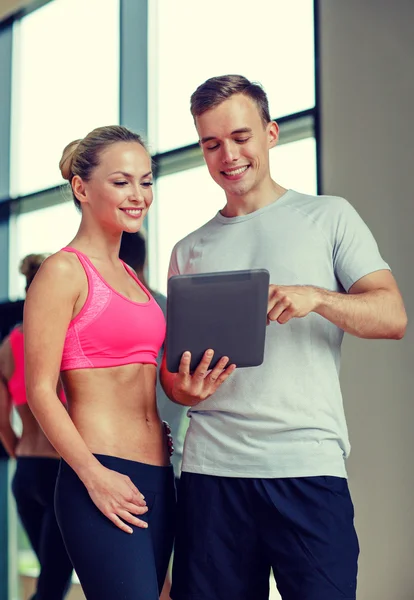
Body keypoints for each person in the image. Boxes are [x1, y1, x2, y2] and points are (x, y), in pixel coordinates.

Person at [160, 75, 408, 600]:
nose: (228, 154)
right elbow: (172, 373)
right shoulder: (188, 248)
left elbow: (391, 316)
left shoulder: (329, 216)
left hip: (306, 466)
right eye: (211, 144)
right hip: (211, 473)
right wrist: (183, 389)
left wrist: (318, 297)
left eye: (241, 136)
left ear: (271, 133)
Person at [23, 125, 176, 600]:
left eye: (146, 181)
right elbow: (40, 390)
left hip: (158, 475)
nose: (138, 195)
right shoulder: (63, 270)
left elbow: (147, 378)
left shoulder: (131, 274)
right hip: (102, 474)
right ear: (81, 188)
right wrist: (95, 476)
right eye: (122, 181)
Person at [120, 231, 189, 600]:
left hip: (139, 456)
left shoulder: (153, 309)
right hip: (165, 460)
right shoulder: (165, 307)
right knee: (158, 579)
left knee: (153, 581)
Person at [0, 253, 73, 600]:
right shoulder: (63, 339)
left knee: (50, 579)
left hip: (26, 473)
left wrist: (21, 455)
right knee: (53, 583)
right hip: (60, 472)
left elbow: (1, 422)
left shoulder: (7, 347)